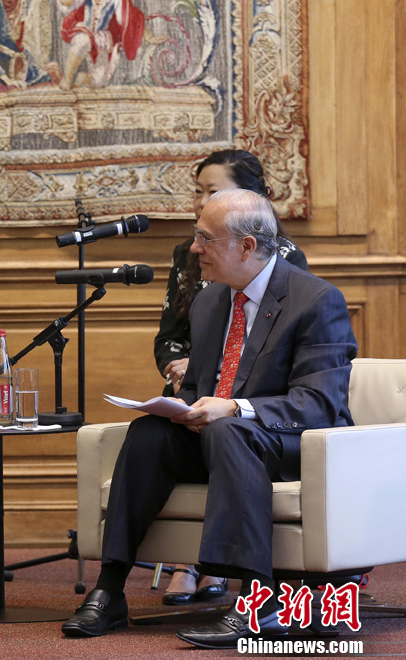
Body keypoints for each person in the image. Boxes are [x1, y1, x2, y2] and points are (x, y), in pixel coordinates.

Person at [62, 188, 357, 649]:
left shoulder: (316, 299)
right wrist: (183, 408)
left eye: (205, 238)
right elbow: (200, 386)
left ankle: (259, 604)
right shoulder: (210, 301)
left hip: (293, 444)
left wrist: (234, 408)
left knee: (229, 430)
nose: (194, 249)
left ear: (246, 246)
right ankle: (110, 588)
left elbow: (319, 402)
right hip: (223, 438)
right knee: (149, 434)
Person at [154, 149, 308, 606]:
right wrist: (184, 366)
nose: (201, 201)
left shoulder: (283, 258)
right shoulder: (187, 253)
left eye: (213, 191)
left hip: (252, 396)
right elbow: (169, 334)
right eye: (198, 191)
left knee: (228, 429)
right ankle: (163, 565)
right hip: (196, 381)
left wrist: (225, 385)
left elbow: (276, 341)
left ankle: (216, 570)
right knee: (155, 430)